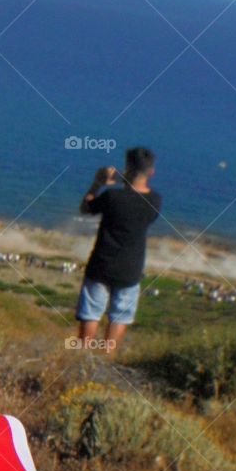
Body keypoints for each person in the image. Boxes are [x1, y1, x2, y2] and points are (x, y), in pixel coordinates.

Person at [75, 146, 161, 351]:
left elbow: (86, 207)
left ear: (127, 168)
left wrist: (98, 183)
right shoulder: (155, 201)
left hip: (101, 264)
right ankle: (107, 356)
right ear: (151, 172)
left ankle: (82, 356)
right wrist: (127, 178)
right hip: (130, 269)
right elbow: (137, 195)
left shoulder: (111, 197)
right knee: (120, 316)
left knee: (91, 313)